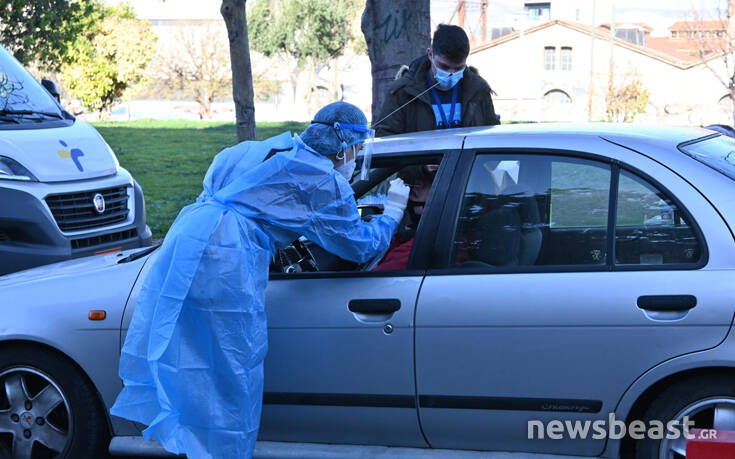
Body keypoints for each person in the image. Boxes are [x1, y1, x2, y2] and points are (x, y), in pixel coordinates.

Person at [110, 102, 410, 459]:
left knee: (187, 351)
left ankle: (192, 443)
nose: (356, 158)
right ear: (343, 145)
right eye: (357, 150)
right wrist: (391, 213)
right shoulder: (323, 181)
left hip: (188, 241)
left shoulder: (259, 150)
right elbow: (358, 245)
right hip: (228, 261)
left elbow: (268, 203)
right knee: (233, 367)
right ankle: (225, 452)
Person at [375, 24, 500, 137]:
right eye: (444, 67)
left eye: (458, 68)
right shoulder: (402, 92)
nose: (451, 74)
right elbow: (384, 140)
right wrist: (418, 163)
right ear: (430, 54)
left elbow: (493, 137)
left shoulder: (479, 89)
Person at [373, 164, 437, 271]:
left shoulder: (415, 249)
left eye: (429, 180)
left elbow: (373, 282)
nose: (416, 186)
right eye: (414, 181)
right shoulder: (407, 238)